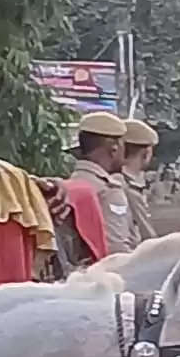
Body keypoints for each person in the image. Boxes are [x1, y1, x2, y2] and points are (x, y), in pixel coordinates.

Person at [51, 109, 131, 266]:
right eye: (123, 145)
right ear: (113, 148)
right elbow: (115, 249)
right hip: (104, 279)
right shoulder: (108, 190)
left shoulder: (71, 185)